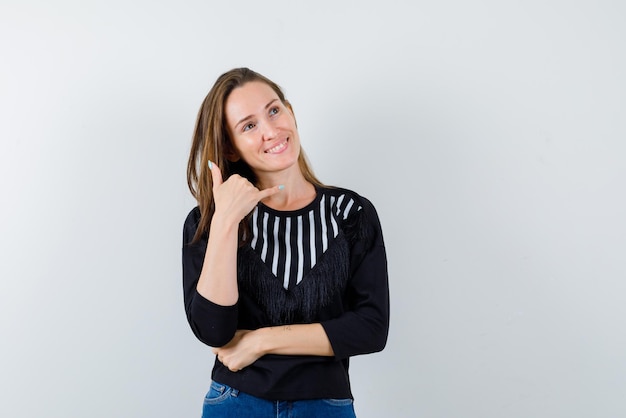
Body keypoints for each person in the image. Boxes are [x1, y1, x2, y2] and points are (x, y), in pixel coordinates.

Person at [182, 67, 389, 418]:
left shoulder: (350, 213)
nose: (271, 130)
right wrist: (226, 220)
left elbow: (370, 328)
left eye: (274, 110)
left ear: (290, 112)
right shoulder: (208, 223)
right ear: (231, 149)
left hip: (326, 405)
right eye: (249, 125)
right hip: (235, 402)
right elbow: (215, 330)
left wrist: (261, 341)